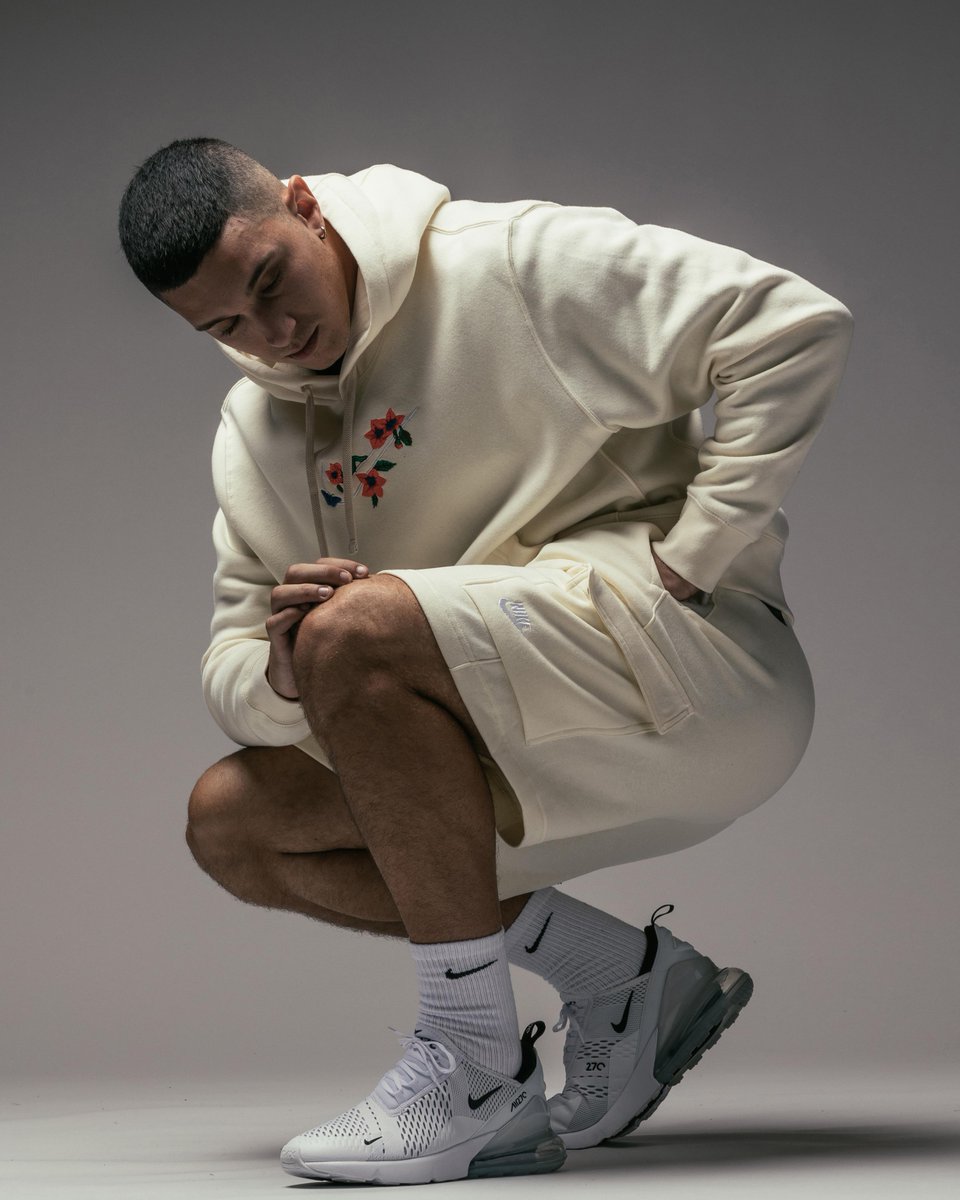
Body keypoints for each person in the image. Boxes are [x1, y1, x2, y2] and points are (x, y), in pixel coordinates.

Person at [118, 137, 853, 1185]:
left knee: (358, 632)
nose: (272, 335)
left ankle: (474, 1070)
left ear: (305, 207)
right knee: (235, 823)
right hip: (518, 750)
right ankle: (627, 979)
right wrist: (285, 672)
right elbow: (229, 664)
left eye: (271, 282)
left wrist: (701, 551)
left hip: (699, 680)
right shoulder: (254, 433)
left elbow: (788, 323)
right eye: (227, 325)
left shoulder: (502, 261)